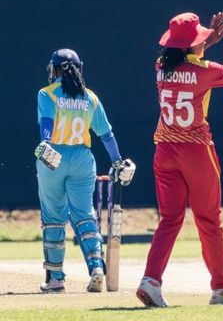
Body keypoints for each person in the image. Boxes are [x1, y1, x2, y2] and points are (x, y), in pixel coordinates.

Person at [135, 12, 223, 307]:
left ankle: (151, 280)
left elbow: (185, 58)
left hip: (164, 151)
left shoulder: (160, 66)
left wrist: (207, 39)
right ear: (193, 45)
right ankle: (221, 289)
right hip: (196, 151)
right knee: (209, 220)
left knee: (170, 220)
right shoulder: (205, 70)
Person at [36, 48, 136, 293]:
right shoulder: (90, 97)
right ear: (79, 69)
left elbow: (46, 130)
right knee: (84, 215)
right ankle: (97, 267)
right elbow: (106, 135)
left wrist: (46, 147)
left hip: (55, 157)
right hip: (82, 158)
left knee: (53, 218)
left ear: (54, 69)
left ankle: (55, 279)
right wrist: (118, 162)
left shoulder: (46, 93)